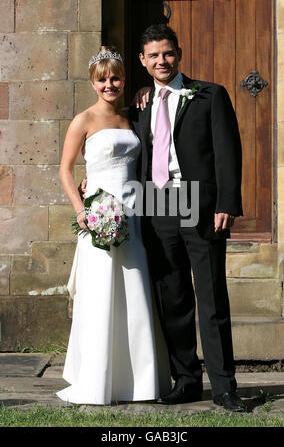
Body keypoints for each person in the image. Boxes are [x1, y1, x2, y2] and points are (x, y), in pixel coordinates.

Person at [129, 24, 246, 412]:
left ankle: (225, 386)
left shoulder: (210, 95)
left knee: (211, 298)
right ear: (143, 61)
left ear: (178, 53)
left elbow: (228, 152)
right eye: (154, 55)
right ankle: (187, 381)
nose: (162, 61)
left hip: (201, 204)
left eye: (168, 53)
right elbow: (130, 153)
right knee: (173, 299)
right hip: (158, 206)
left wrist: (227, 203)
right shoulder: (141, 104)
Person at [56, 46, 171, 405]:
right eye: (103, 79)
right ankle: (96, 378)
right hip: (99, 216)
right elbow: (65, 169)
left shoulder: (129, 118)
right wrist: (81, 211)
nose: (110, 84)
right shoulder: (83, 121)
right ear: (93, 83)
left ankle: (139, 382)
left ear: (124, 79)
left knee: (134, 288)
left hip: (133, 214)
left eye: (116, 77)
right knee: (101, 291)